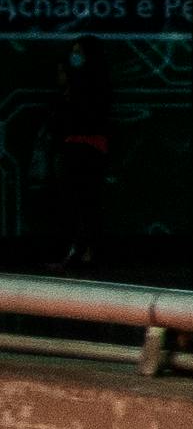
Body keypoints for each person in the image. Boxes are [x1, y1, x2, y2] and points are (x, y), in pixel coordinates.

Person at [46, 35, 116, 273]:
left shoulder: (93, 86)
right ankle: (83, 251)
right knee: (80, 204)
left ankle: (85, 252)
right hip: (81, 149)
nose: (74, 57)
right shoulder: (83, 85)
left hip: (86, 150)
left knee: (85, 203)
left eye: (79, 52)